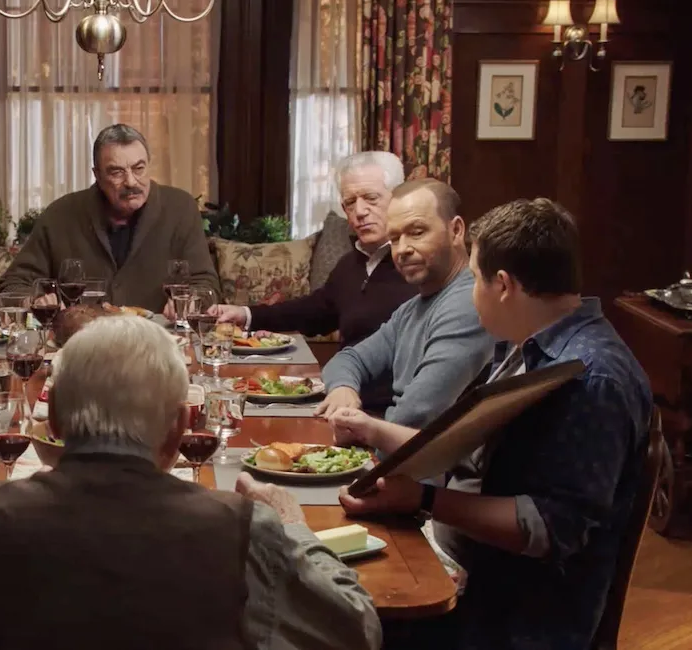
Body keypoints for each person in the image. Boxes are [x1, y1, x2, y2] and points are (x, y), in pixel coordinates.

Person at [0, 315, 381, 650]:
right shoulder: (246, 528)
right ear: (180, 426)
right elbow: (357, 630)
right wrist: (294, 527)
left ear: (53, 419)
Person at [334, 199, 652, 649]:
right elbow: (467, 447)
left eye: (475, 279)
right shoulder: (527, 346)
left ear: (503, 284)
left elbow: (549, 526)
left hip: (516, 619)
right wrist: (373, 430)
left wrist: (423, 498)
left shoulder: (591, 377)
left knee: (337, 615)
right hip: (474, 573)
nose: (470, 292)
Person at [210, 151, 417, 412]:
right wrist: (246, 314)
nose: (360, 212)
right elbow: (313, 311)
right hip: (343, 399)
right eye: (350, 203)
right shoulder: (352, 265)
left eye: (371, 198)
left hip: (385, 413)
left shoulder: (415, 267)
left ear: (399, 198)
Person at [317, 178, 494, 429]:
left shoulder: (470, 303)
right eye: (395, 238)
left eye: (417, 232)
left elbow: (416, 415)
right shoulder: (412, 309)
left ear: (456, 230)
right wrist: (342, 388)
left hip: (420, 463)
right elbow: (350, 358)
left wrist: (361, 440)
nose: (402, 249)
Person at [0, 124, 221, 313]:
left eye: (139, 168)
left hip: (160, 343)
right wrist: (35, 301)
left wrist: (193, 301)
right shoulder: (60, 215)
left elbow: (206, 284)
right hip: (81, 345)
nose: (131, 181)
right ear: (97, 175)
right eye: (117, 172)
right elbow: (11, 286)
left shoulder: (180, 208)